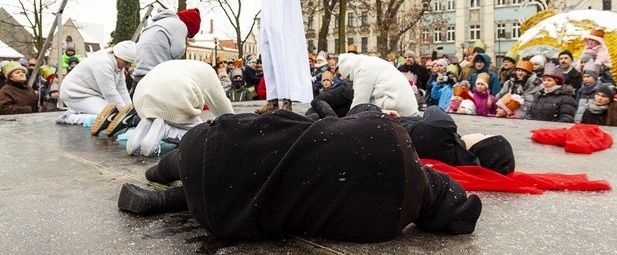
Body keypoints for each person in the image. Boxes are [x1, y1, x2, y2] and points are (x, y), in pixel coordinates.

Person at [118, 110, 482, 241]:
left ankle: (160, 173)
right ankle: (164, 200)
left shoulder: (394, 135)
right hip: (225, 214)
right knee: (278, 186)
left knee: (199, 158)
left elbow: (337, 125)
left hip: (214, 147)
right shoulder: (384, 229)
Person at [209, 0, 351, 113]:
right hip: (268, 20)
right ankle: (272, 100)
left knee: (284, 59)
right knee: (269, 60)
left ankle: (287, 101)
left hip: (285, 20)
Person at [127, 60, 234, 157]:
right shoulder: (209, 71)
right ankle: (166, 130)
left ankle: (146, 127)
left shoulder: (177, 65)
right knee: (202, 132)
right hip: (176, 94)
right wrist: (235, 126)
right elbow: (221, 104)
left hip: (141, 98)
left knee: (161, 118)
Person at [58, 41, 136, 135]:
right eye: (126, 62)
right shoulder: (102, 63)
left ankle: (79, 110)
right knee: (109, 116)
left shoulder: (117, 65)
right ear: (118, 56)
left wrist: (130, 112)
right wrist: (124, 116)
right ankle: (69, 117)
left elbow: (122, 90)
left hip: (90, 95)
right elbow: (110, 93)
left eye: (130, 63)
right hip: (74, 95)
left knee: (113, 114)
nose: (128, 66)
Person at [132, 7, 201, 93]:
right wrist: (184, 43)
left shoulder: (157, 22)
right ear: (189, 27)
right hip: (156, 75)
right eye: (188, 35)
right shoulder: (180, 25)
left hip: (139, 72)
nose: (186, 36)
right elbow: (177, 51)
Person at [337, 53, 420, 117]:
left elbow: (359, 103)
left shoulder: (363, 68)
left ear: (349, 70)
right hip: (405, 105)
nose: (350, 79)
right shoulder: (370, 62)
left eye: (348, 76)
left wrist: (346, 123)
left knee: (367, 105)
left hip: (397, 105)